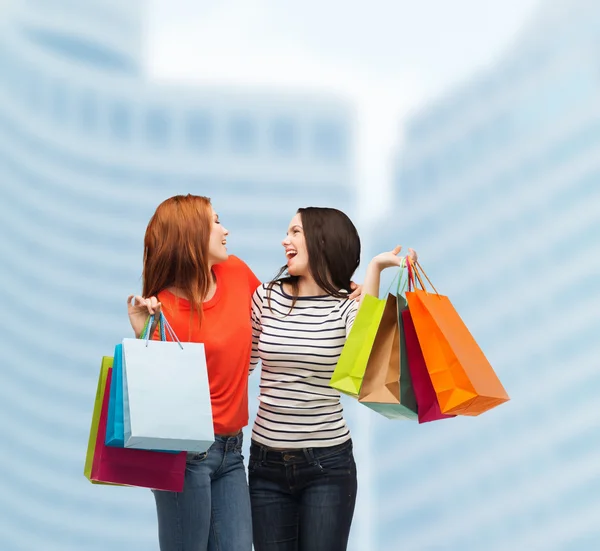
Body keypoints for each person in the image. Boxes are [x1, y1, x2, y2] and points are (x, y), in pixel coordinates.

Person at [248, 207, 416, 551]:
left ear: (321, 241)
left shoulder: (345, 305)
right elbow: (242, 363)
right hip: (265, 466)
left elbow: (362, 355)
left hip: (327, 464)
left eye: (295, 232)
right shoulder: (265, 296)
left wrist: (376, 268)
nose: (285, 240)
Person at [126, 194, 261, 551]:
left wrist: (338, 290)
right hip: (184, 457)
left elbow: (278, 316)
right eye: (215, 222)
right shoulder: (161, 309)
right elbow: (154, 396)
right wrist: (143, 332)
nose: (225, 230)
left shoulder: (238, 274)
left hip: (232, 452)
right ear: (190, 236)